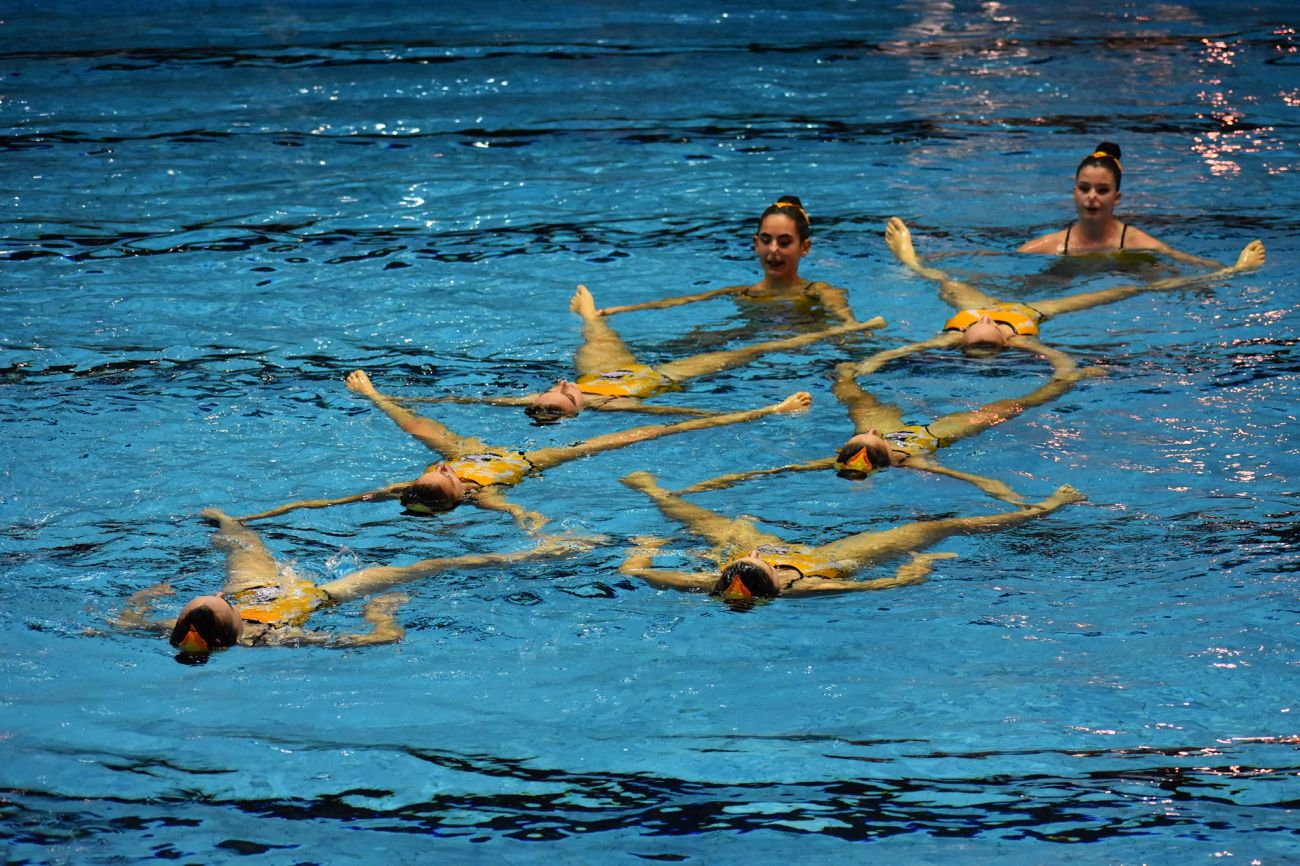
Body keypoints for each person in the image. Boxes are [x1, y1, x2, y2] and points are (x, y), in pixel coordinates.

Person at [231, 370, 814, 531]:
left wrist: (376, 396)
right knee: (635, 435)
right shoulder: (486, 494)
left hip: (489, 448)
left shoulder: (442, 469)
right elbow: (514, 509)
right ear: (462, 487)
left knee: (422, 423)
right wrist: (534, 521)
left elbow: (317, 505)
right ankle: (765, 411)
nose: (440, 470)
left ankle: (766, 409)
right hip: (531, 464)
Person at [112, 508, 586, 660]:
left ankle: (225, 518)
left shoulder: (202, 620)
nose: (215, 593)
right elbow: (376, 641)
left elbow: (120, 624)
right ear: (232, 627)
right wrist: (381, 612)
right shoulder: (273, 636)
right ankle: (538, 552)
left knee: (242, 544)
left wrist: (143, 598)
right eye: (216, 600)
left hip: (254, 590)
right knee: (431, 564)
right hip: (320, 597)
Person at [676, 346, 1094, 506]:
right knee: (1014, 406)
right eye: (871, 438)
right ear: (882, 450)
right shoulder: (916, 461)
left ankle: (848, 369)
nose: (872, 431)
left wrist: (701, 487)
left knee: (848, 387)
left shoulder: (860, 444)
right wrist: (1027, 503)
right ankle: (1070, 379)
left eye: (863, 433)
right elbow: (977, 482)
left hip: (895, 434)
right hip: (934, 434)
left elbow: (763, 474)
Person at [402, 284, 883, 423]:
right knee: (751, 349)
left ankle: (589, 312)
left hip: (606, 370)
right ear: (578, 410)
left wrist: (391, 398)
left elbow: (464, 402)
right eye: (566, 397)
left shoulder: (572, 386)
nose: (562, 385)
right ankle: (827, 335)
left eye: (554, 387)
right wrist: (770, 409)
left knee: (595, 336)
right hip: (654, 377)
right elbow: (689, 413)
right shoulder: (623, 407)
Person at [617, 470, 1085, 601]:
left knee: (703, 517)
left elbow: (634, 572)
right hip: (825, 558)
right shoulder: (814, 586)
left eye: (741, 568)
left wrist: (646, 549)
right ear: (773, 585)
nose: (754, 560)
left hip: (751, 550)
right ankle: (1048, 509)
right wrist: (919, 566)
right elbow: (886, 584)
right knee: (934, 528)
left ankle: (652, 487)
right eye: (755, 570)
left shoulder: (709, 581)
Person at [883, 216, 1266, 356]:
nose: (984, 328)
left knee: (940, 277)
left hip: (978, 301)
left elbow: (900, 352)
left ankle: (909, 258)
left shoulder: (952, 335)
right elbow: (1060, 361)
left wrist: (863, 365)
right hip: (1028, 311)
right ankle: (1229, 274)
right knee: (1126, 291)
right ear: (1005, 341)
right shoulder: (1023, 333)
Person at [593, 196, 859, 327]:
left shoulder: (817, 292)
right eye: (766, 240)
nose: (773, 250)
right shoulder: (742, 293)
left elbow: (850, 326)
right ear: (755, 244)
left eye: (785, 241)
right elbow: (681, 302)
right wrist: (618, 311)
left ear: (805, 248)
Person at [1018, 142, 1225, 268]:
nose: (1091, 197)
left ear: (1117, 197)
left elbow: (1185, 261)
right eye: (1084, 188)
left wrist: (1236, 270)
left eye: (1102, 190)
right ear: (1074, 194)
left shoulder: (1134, 242)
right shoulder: (1052, 245)